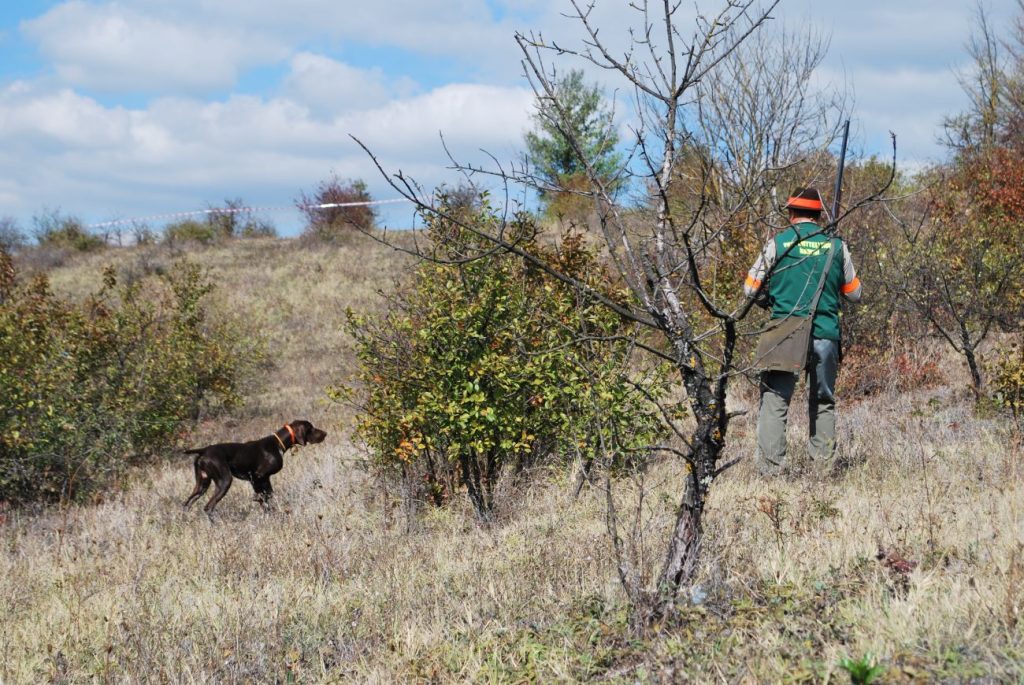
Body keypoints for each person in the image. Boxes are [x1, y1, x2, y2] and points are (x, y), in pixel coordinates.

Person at [744, 187, 862, 475]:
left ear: (791, 212)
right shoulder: (836, 247)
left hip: (785, 333)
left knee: (775, 399)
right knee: (823, 400)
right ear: (819, 215)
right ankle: (822, 468)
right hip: (825, 333)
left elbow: (750, 288)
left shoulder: (777, 244)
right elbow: (855, 293)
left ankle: (771, 471)